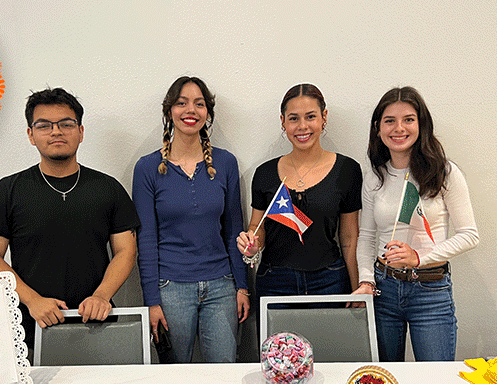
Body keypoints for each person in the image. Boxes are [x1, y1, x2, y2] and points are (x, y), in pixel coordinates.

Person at [0, 87, 140, 352]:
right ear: (31, 134)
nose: (56, 131)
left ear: (81, 131)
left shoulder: (108, 188)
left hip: (97, 321)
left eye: (66, 124)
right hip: (29, 326)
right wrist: (32, 301)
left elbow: (126, 251)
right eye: (44, 125)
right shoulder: (8, 190)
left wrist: (102, 295)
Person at [353, 86, 479, 361]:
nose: (399, 128)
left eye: (408, 119)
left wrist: (418, 257)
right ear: (378, 128)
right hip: (383, 290)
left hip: (431, 292)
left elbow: (469, 235)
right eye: (390, 121)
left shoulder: (444, 172)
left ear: (421, 124)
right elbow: (366, 237)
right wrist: (365, 279)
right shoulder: (375, 177)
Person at [132, 76, 250, 363]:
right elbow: (146, 238)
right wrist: (151, 301)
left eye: (199, 104)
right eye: (181, 103)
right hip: (170, 289)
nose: (191, 110)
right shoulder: (147, 168)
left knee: (225, 374)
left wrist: (242, 286)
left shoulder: (225, 163)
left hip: (222, 286)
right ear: (169, 111)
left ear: (207, 113)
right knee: (174, 376)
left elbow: (234, 228)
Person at [237, 84, 362, 306]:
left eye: (310, 117)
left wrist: (356, 289)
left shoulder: (347, 170)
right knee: (276, 343)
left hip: (330, 280)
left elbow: (350, 239)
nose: (302, 126)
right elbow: (258, 228)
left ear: (324, 117)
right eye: (293, 118)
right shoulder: (265, 173)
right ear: (283, 121)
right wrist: (251, 244)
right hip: (274, 283)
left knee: (330, 342)